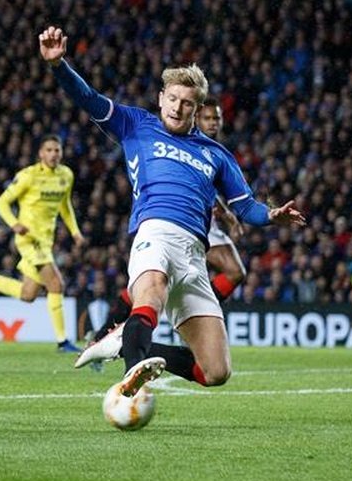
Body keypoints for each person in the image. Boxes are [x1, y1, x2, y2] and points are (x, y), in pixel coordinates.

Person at [38, 25, 305, 400]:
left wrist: (271, 215)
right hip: (155, 233)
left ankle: (123, 345)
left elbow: (245, 207)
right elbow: (89, 99)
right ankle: (129, 385)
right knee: (151, 291)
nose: (178, 108)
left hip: (195, 255)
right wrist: (59, 65)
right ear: (161, 98)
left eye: (188, 104)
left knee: (215, 371)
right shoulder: (135, 124)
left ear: (198, 109)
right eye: (173, 99)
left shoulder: (216, 154)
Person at [0, 134, 85, 353]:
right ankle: (62, 342)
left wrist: (75, 232)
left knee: (28, 294)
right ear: (40, 153)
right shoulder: (28, 176)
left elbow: (65, 206)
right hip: (29, 240)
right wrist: (14, 224)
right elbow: (1, 202)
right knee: (56, 284)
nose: (54, 154)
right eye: (49, 150)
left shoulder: (66, 175)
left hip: (47, 241)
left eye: (57, 150)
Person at [195, 98, 247, 303]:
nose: (212, 123)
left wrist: (229, 218)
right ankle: (104, 333)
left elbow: (212, 190)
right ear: (196, 119)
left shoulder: (217, 151)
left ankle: (200, 311)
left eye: (216, 118)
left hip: (208, 221)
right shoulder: (191, 143)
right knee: (155, 283)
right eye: (207, 118)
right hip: (186, 217)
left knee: (235, 271)